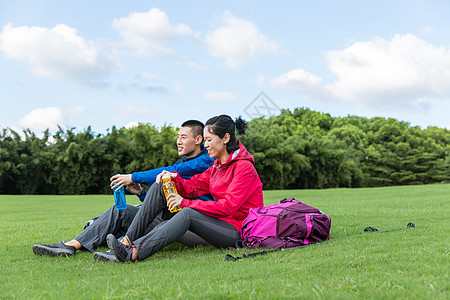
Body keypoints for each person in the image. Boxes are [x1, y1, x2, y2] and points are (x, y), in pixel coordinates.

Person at [32, 120, 215, 260]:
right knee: (120, 210)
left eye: (183, 137)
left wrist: (133, 176)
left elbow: (174, 172)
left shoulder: (205, 161)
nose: (178, 141)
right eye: (177, 137)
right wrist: (141, 193)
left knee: (128, 212)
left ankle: (120, 243)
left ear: (199, 139)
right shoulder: (181, 162)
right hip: (167, 219)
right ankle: (70, 246)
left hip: (189, 226)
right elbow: (160, 205)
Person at [105, 114, 264, 262]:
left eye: (209, 140)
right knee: (161, 186)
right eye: (205, 140)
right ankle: (127, 242)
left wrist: (184, 202)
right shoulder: (217, 167)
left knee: (187, 213)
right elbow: (194, 187)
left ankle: (133, 252)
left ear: (226, 138)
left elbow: (228, 207)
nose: (205, 145)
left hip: (237, 231)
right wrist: (175, 180)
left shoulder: (244, 168)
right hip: (215, 225)